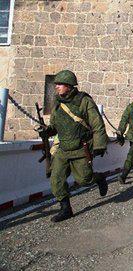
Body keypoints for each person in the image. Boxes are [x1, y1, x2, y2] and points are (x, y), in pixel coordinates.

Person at [37, 70, 108, 222]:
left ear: (69, 86)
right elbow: (55, 126)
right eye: (56, 84)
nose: (56, 87)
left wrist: (99, 145)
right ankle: (66, 209)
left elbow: (97, 124)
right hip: (63, 149)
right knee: (56, 180)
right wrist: (47, 131)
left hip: (81, 148)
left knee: (84, 180)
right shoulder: (58, 104)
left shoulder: (84, 101)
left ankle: (99, 178)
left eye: (60, 84)